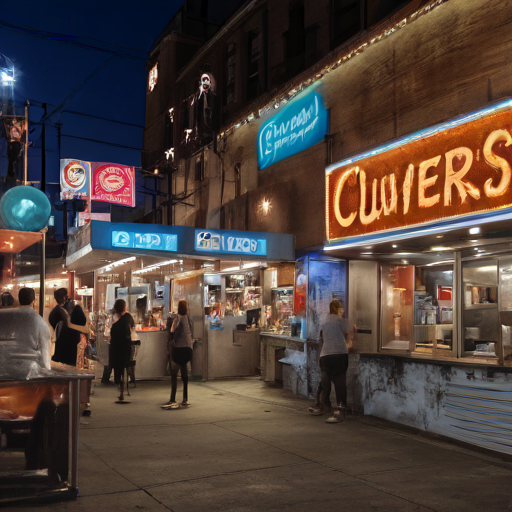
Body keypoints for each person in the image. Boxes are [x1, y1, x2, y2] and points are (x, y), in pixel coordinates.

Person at [309, 300, 355, 423]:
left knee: (325, 382)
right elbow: (351, 330)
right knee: (340, 383)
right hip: (339, 355)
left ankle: (322, 405)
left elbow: (321, 338)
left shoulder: (324, 320)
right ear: (339, 309)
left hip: (325, 356)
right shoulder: (340, 320)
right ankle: (340, 409)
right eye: (341, 308)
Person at [0, 287, 51, 380]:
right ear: (33, 301)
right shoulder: (38, 321)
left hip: (4, 371)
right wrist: (47, 373)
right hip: (27, 374)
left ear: (19, 300)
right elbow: (45, 354)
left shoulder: (8, 317)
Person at [164, 300, 193, 409]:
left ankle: (172, 398)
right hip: (188, 348)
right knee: (184, 372)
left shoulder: (177, 319)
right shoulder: (188, 319)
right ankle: (185, 398)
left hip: (178, 349)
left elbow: (172, 332)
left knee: (174, 373)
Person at [110, 299, 134, 402]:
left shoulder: (114, 320)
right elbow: (132, 327)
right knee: (125, 366)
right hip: (126, 346)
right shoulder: (128, 317)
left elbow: (112, 334)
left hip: (116, 347)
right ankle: (124, 388)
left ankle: (121, 389)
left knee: (118, 368)